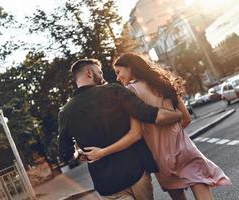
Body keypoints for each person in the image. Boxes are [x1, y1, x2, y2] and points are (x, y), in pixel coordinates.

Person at [84, 53, 231, 200]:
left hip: (159, 157)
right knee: (201, 185)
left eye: (118, 72)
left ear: (130, 68)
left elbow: (137, 131)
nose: (117, 77)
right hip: (184, 148)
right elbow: (186, 118)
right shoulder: (164, 83)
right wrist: (172, 134)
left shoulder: (130, 91)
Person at [58, 58, 183, 200]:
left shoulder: (65, 112)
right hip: (135, 170)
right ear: (89, 73)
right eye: (99, 72)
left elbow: (65, 154)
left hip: (107, 183)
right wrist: (178, 115)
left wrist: (80, 154)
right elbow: (150, 114)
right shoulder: (114, 91)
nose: (102, 76)